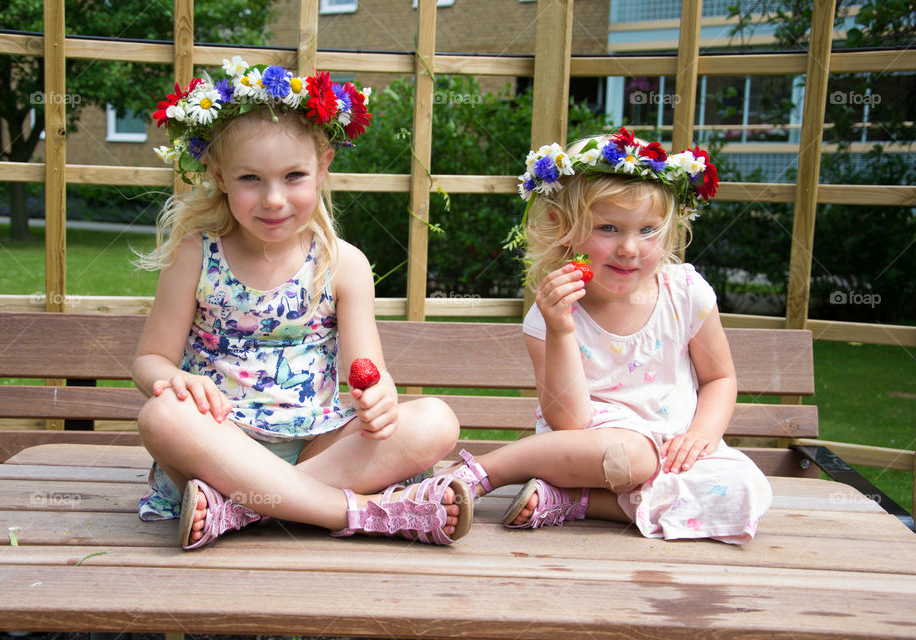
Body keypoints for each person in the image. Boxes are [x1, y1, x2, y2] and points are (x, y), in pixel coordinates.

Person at [133, 56, 471, 549]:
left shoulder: (343, 264)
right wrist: (173, 378)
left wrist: (381, 397)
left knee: (437, 421)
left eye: (293, 176)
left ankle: (243, 508)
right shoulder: (194, 255)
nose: (273, 199)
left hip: (320, 443)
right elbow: (149, 360)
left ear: (323, 167)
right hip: (221, 446)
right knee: (161, 416)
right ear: (219, 175)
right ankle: (364, 513)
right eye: (251, 179)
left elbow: (367, 370)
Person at [436, 128, 772, 544]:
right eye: (608, 227)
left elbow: (719, 379)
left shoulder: (685, 293)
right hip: (587, 447)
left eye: (648, 230)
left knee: (745, 490)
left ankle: (573, 501)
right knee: (630, 456)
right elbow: (569, 420)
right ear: (566, 228)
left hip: (673, 448)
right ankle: (486, 471)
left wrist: (702, 435)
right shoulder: (554, 313)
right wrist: (561, 330)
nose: (630, 248)